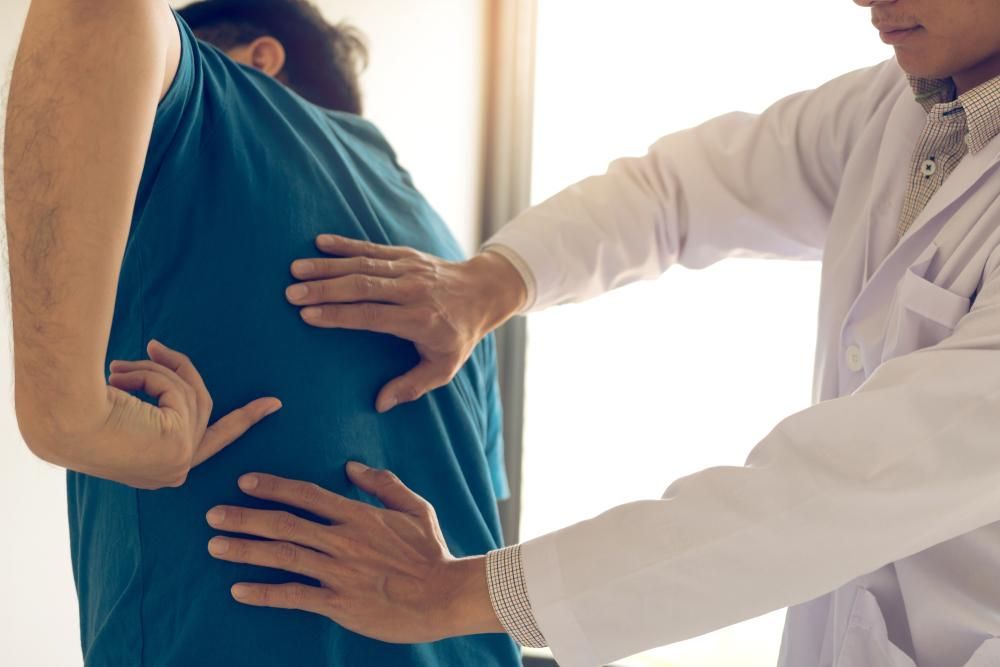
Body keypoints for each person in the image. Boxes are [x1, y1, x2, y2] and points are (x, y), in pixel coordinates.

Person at [200, 1, 1000, 666]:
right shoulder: (899, 108)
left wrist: (455, 592)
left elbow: (836, 487)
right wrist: (490, 283)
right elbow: (677, 192)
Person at [4, 0, 518, 665]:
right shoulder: (451, 279)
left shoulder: (223, 109)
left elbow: (97, 10)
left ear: (260, 59)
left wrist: (70, 417)